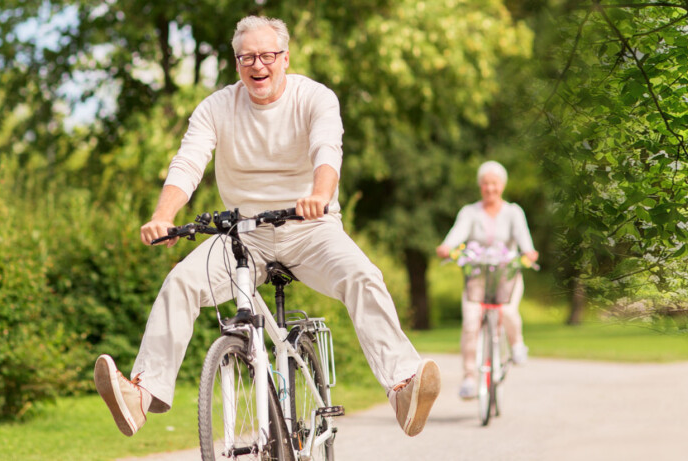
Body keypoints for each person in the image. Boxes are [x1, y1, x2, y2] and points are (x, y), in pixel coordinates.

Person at [92, 16, 441, 439]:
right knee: (180, 282)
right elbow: (188, 163)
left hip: (310, 227)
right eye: (247, 58)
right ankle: (141, 395)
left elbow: (327, 150)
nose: (258, 65)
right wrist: (162, 216)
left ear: (285, 58)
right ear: (237, 63)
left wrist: (319, 194)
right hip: (243, 235)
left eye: (267, 55)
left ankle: (403, 386)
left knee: (363, 275)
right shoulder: (216, 106)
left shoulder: (314, 97)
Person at [434, 160, 538, 399]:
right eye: (485, 184)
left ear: (502, 185)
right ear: (480, 186)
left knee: (508, 311)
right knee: (471, 322)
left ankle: (517, 344)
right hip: (477, 277)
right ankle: (469, 378)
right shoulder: (470, 212)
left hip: (506, 276)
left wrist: (529, 253)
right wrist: (447, 247)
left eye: (494, 184)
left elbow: (525, 241)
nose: (490, 188)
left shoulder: (513, 212)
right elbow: (456, 234)